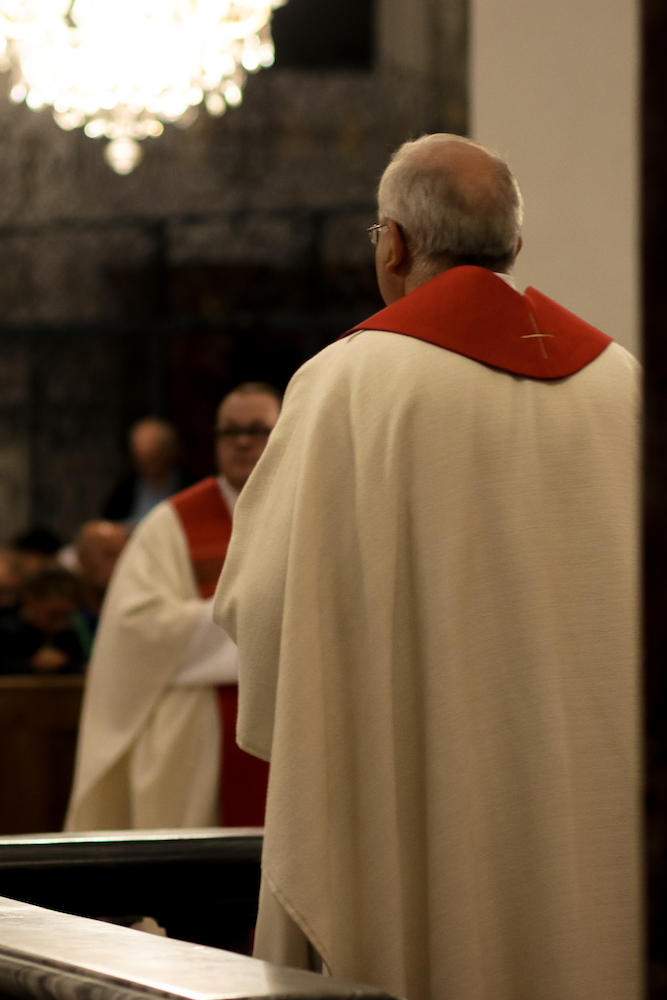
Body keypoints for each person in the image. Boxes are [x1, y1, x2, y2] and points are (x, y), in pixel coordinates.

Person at [213, 135, 641, 1000]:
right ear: (514, 246)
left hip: (432, 794)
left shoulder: (347, 383)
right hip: (598, 813)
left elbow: (262, 605)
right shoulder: (622, 383)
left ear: (394, 244)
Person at [65, 383, 282, 831]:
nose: (243, 441)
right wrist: (268, 622)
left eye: (259, 429)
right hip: (195, 742)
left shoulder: (310, 512)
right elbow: (136, 628)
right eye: (231, 431)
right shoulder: (171, 524)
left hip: (290, 730)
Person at [103, 418, 194, 525]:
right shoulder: (125, 490)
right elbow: (109, 522)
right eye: (141, 459)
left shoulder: (189, 487)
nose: (147, 467)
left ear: (170, 453)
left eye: (153, 458)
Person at [0, 566, 86, 675]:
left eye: (67, 616)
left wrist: (66, 663)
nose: (61, 624)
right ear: (31, 600)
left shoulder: (67, 635)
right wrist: (32, 665)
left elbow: (83, 667)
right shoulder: (6, 630)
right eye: (55, 615)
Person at [70, 521, 128, 656]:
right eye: (109, 555)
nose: (120, 564)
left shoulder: (132, 611)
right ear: (82, 559)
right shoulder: (61, 611)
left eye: (124, 556)